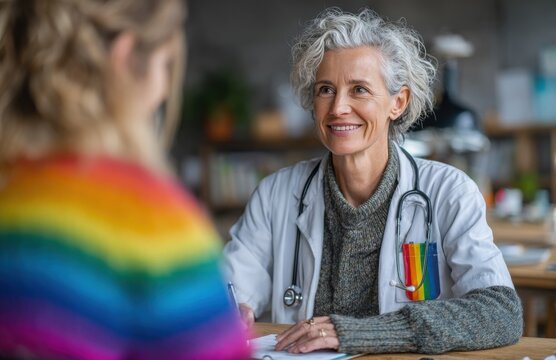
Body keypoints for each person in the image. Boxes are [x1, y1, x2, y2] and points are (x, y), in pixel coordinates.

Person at [223, 7, 522, 355]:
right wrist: (227, 312)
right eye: (325, 90)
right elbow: (231, 288)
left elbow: (501, 312)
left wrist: (362, 333)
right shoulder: (276, 194)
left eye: (359, 90)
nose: (338, 108)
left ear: (398, 102)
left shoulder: (449, 192)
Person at [0, 0, 250, 359]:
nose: (164, 90)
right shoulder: (149, 223)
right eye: (166, 65)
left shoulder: (12, 196)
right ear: (124, 55)